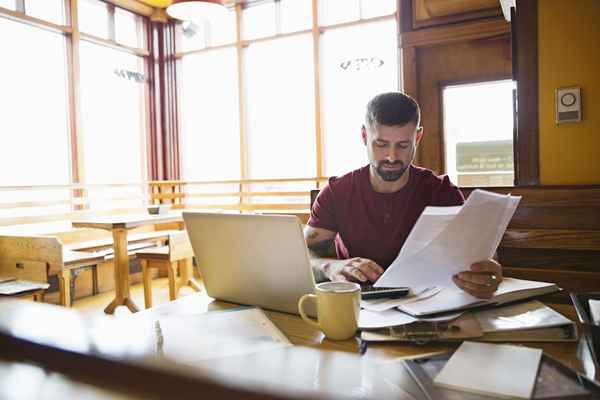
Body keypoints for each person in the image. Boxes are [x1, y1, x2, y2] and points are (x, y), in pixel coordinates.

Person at [304, 92, 502, 299]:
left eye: (403, 145)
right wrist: (329, 266)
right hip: (359, 304)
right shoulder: (338, 192)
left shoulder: (441, 192)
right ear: (364, 136)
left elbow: (478, 254)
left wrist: (486, 273)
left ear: (417, 137)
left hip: (428, 301)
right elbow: (304, 255)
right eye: (381, 144)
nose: (392, 157)